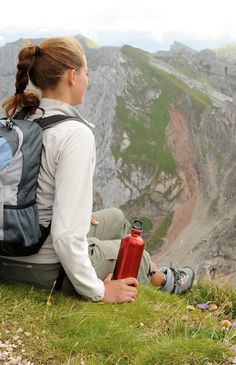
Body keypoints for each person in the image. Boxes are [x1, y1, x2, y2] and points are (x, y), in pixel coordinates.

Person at [0, 37, 195, 303]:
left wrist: (76, 212)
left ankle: (149, 271)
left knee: (115, 217)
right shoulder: (74, 134)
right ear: (72, 76)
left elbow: (29, 186)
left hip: (10, 252)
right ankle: (160, 280)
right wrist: (99, 291)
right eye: (86, 73)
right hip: (43, 268)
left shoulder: (24, 116)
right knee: (140, 254)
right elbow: (66, 236)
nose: (87, 80)